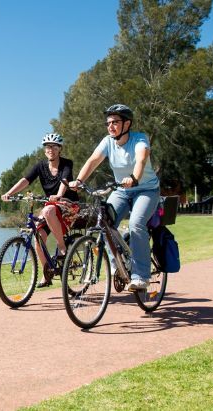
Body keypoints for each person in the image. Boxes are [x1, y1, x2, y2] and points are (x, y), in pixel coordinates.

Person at [69, 104, 160, 291]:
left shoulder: (139, 139)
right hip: (121, 190)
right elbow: (93, 160)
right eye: (108, 123)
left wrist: (134, 178)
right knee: (105, 222)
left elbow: (141, 159)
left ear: (127, 123)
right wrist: (78, 180)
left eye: (115, 122)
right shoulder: (108, 141)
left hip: (146, 190)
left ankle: (141, 276)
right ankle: (117, 264)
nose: (110, 126)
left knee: (136, 223)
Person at [1, 133, 79, 287]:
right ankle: (47, 272)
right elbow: (26, 180)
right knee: (38, 237)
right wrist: (10, 193)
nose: (51, 149)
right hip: (51, 205)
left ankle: (62, 246)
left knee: (48, 210)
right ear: (44, 150)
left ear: (59, 149)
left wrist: (58, 195)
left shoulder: (66, 164)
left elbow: (65, 180)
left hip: (68, 204)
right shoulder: (40, 166)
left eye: (54, 147)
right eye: (48, 147)